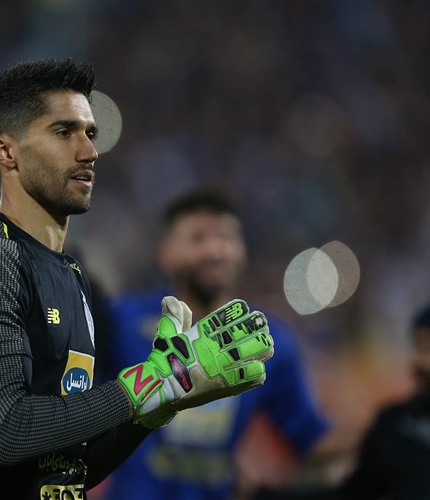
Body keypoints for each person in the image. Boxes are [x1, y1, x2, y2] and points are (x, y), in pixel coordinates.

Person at [0, 58, 275, 499]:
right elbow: (9, 432)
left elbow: (70, 468)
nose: (89, 151)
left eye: (90, 133)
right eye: (63, 132)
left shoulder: (72, 276)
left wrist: (160, 404)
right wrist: (149, 381)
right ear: (6, 152)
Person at [104, 189, 330, 500]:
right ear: (165, 253)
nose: (215, 251)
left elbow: (311, 439)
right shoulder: (120, 321)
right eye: (198, 238)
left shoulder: (268, 339)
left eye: (227, 237)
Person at [255, 298, 430, 500]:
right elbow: (352, 493)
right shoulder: (397, 426)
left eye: (427, 348)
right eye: (416, 347)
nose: (417, 361)